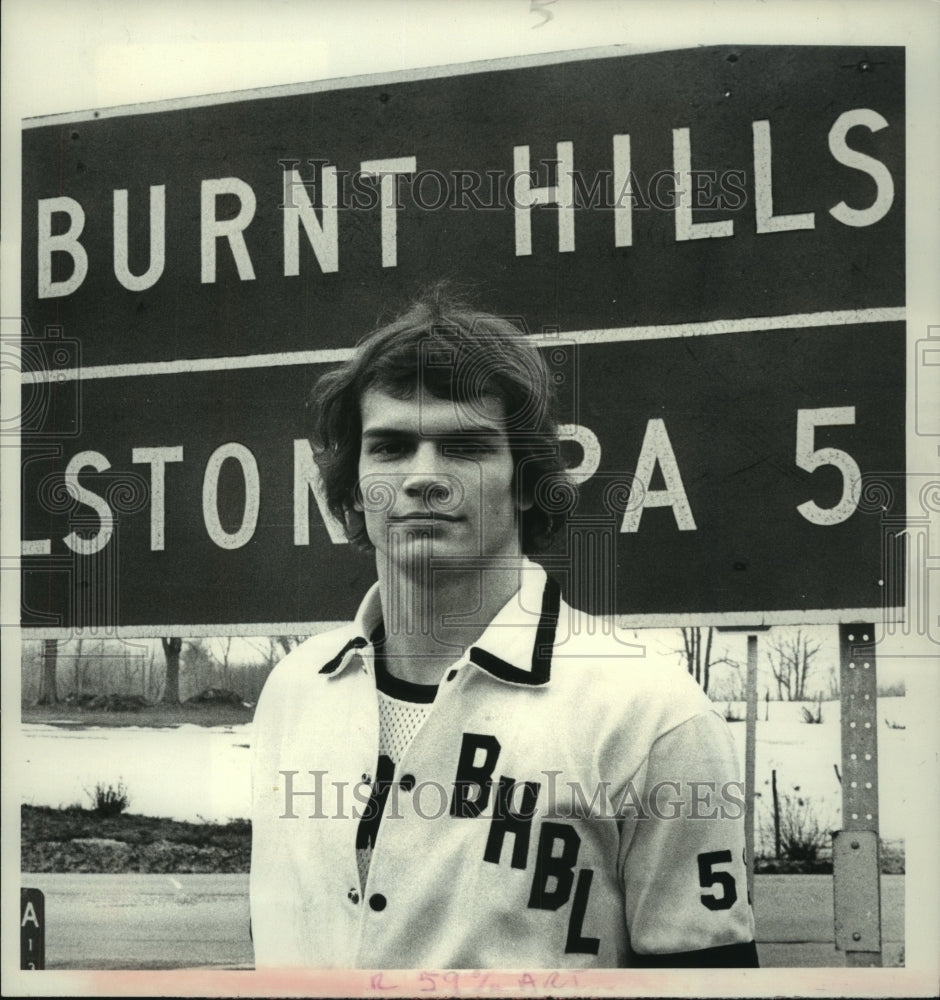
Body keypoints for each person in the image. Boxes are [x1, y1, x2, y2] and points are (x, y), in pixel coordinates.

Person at [249, 289, 758, 969]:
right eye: (392, 447)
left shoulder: (651, 714)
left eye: (465, 448)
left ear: (525, 481)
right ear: (352, 484)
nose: (424, 479)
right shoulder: (294, 689)